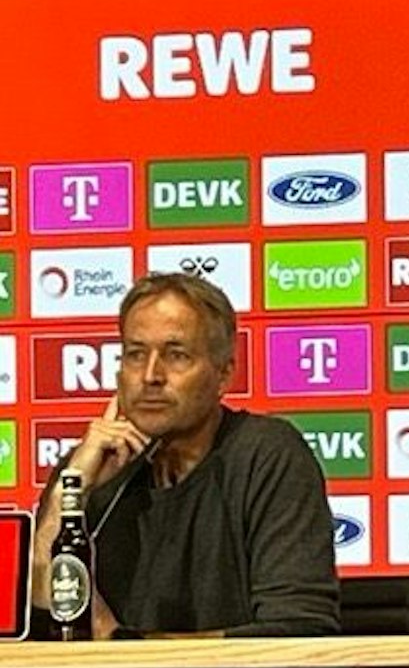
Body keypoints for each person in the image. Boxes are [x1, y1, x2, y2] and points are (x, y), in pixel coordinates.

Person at [29, 272, 341, 638]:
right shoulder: (91, 467)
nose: (150, 375)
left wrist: (121, 645)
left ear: (223, 375)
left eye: (176, 355)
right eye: (135, 354)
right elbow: (35, 621)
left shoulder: (268, 455)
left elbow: (298, 630)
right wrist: (70, 492)